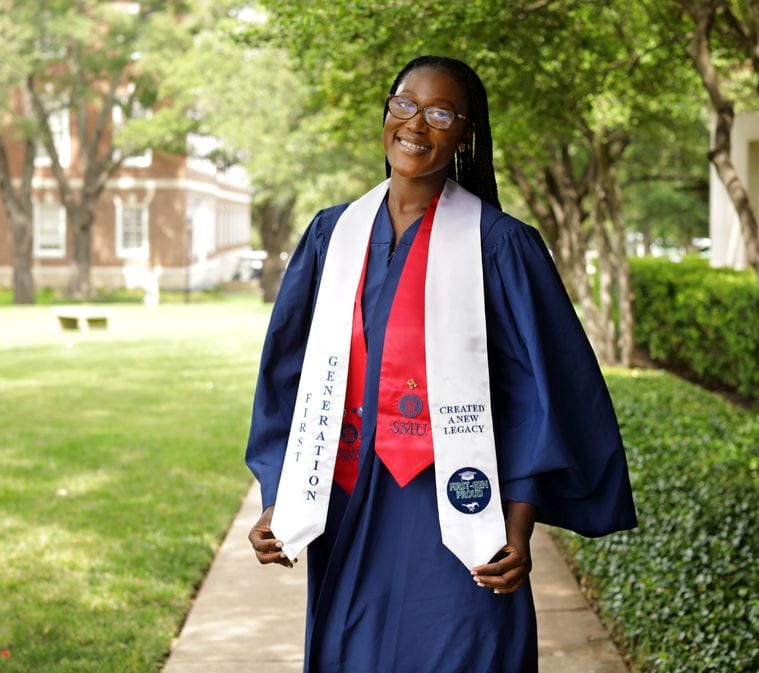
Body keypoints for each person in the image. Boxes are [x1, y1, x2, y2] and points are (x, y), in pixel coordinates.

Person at [245, 55, 637, 673]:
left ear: (465, 135)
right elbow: (286, 375)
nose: (417, 125)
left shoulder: (502, 244)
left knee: (467, 652)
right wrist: (281, 494)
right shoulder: (331, 235)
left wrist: (519, 521)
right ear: (387, 112)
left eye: (440, 113)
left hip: (462, 508)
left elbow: (543, 395)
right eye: (405, 103)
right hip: (349, 493)